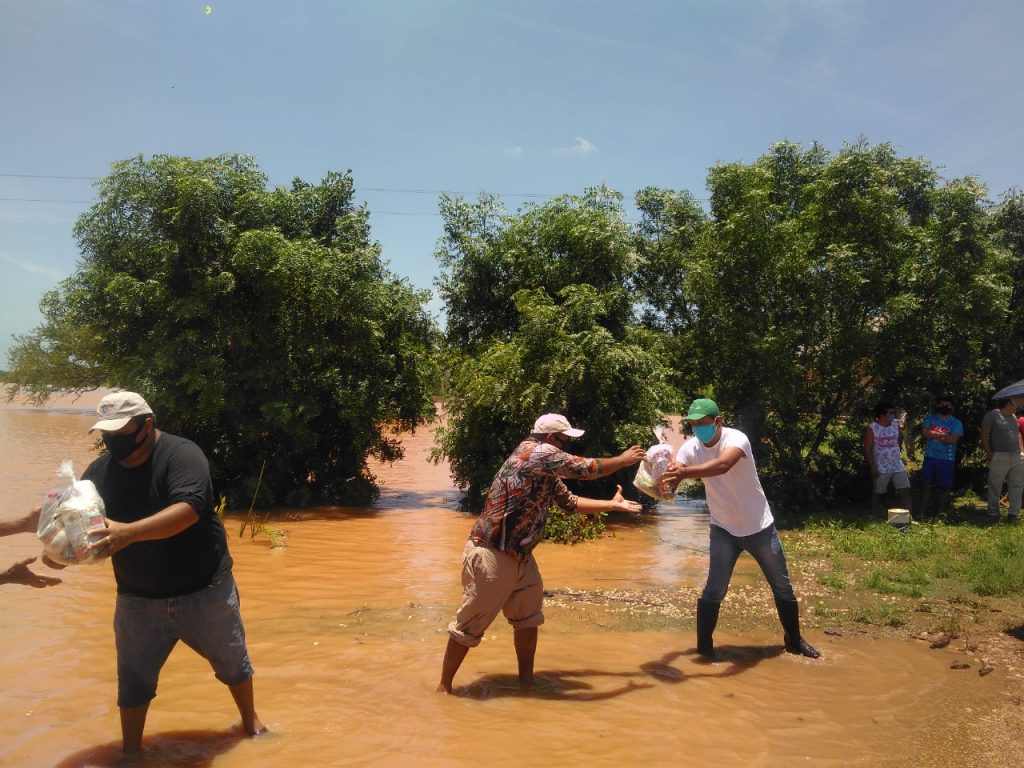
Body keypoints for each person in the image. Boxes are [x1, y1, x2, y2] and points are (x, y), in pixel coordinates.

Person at [73, 391, 264, 754]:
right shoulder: (99, 473)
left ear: (146, 425)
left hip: (205, 589)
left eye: (119, 432)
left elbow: (189, 509)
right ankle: (131, 753)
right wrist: (61, 551)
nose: (111, 440)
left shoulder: (182, 455)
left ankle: (251, 725)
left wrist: (127, 533)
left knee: (233, 665)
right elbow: (80, 521)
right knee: (132, 682)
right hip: (137, 599)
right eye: (106, 433)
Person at [437, 413, 645, 694]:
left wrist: (611, 505)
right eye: (564, 441)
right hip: (493, 553)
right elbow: (587, 468)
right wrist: (623, 459)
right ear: (549, 438)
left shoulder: (545, 471)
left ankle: (527, 684)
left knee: (528, 619)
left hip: (521, 556)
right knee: (469, 626)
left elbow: (569, 503)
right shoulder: (536, 452)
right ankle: (444, 690)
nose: (566, 448)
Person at [660, 398, 820, 660]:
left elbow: (722, 465)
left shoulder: (736, 440)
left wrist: (684, 473)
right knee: (714, 590)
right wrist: (664, 478)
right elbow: (676, 471)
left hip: (759, 527)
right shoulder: (691, 447)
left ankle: (794, 641)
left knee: (782, 587)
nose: (698, 428)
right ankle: (704, 650)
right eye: (694, 424)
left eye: (703, 423)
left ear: (718, 421)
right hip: (723, 529)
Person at [863, 402, 913, 515]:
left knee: (906, 490)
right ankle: (874, 515)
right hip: (881, 466)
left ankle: (909, 516)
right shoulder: (872, 428)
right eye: (890, 413)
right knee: (878, 492)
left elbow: (898, 440)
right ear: (882, 415)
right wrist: (873, 467)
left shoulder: (895, 425)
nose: (893, 415)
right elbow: (867, 448)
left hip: (897, 465)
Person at [980, 396, 1024, 520]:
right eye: (1018, 401)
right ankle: (993, 513)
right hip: (1000, 455)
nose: (1020, 404)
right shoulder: (992, 415)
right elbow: (984, 435)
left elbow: (1017, 436)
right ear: (1010, 402)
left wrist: (1022, 452)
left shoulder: (1014, 417)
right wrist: (989, 453)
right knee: (995, 485)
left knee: (1017, 485)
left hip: (1017, 456)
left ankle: (1013, 514)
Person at [918, 397, 964, 518]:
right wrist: (943, 434)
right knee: (926, 486)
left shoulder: (956, 423)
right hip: (930, 457)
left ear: (952, 407)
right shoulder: (930, 418)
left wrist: (933, 434)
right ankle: (922, 513)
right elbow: (924, 432)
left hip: (946, 459)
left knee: (945, 488)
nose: (944, 407)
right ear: (938, 405)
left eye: (948, 405)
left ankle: (940, 514)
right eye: (942, 404)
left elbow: (952, 440)